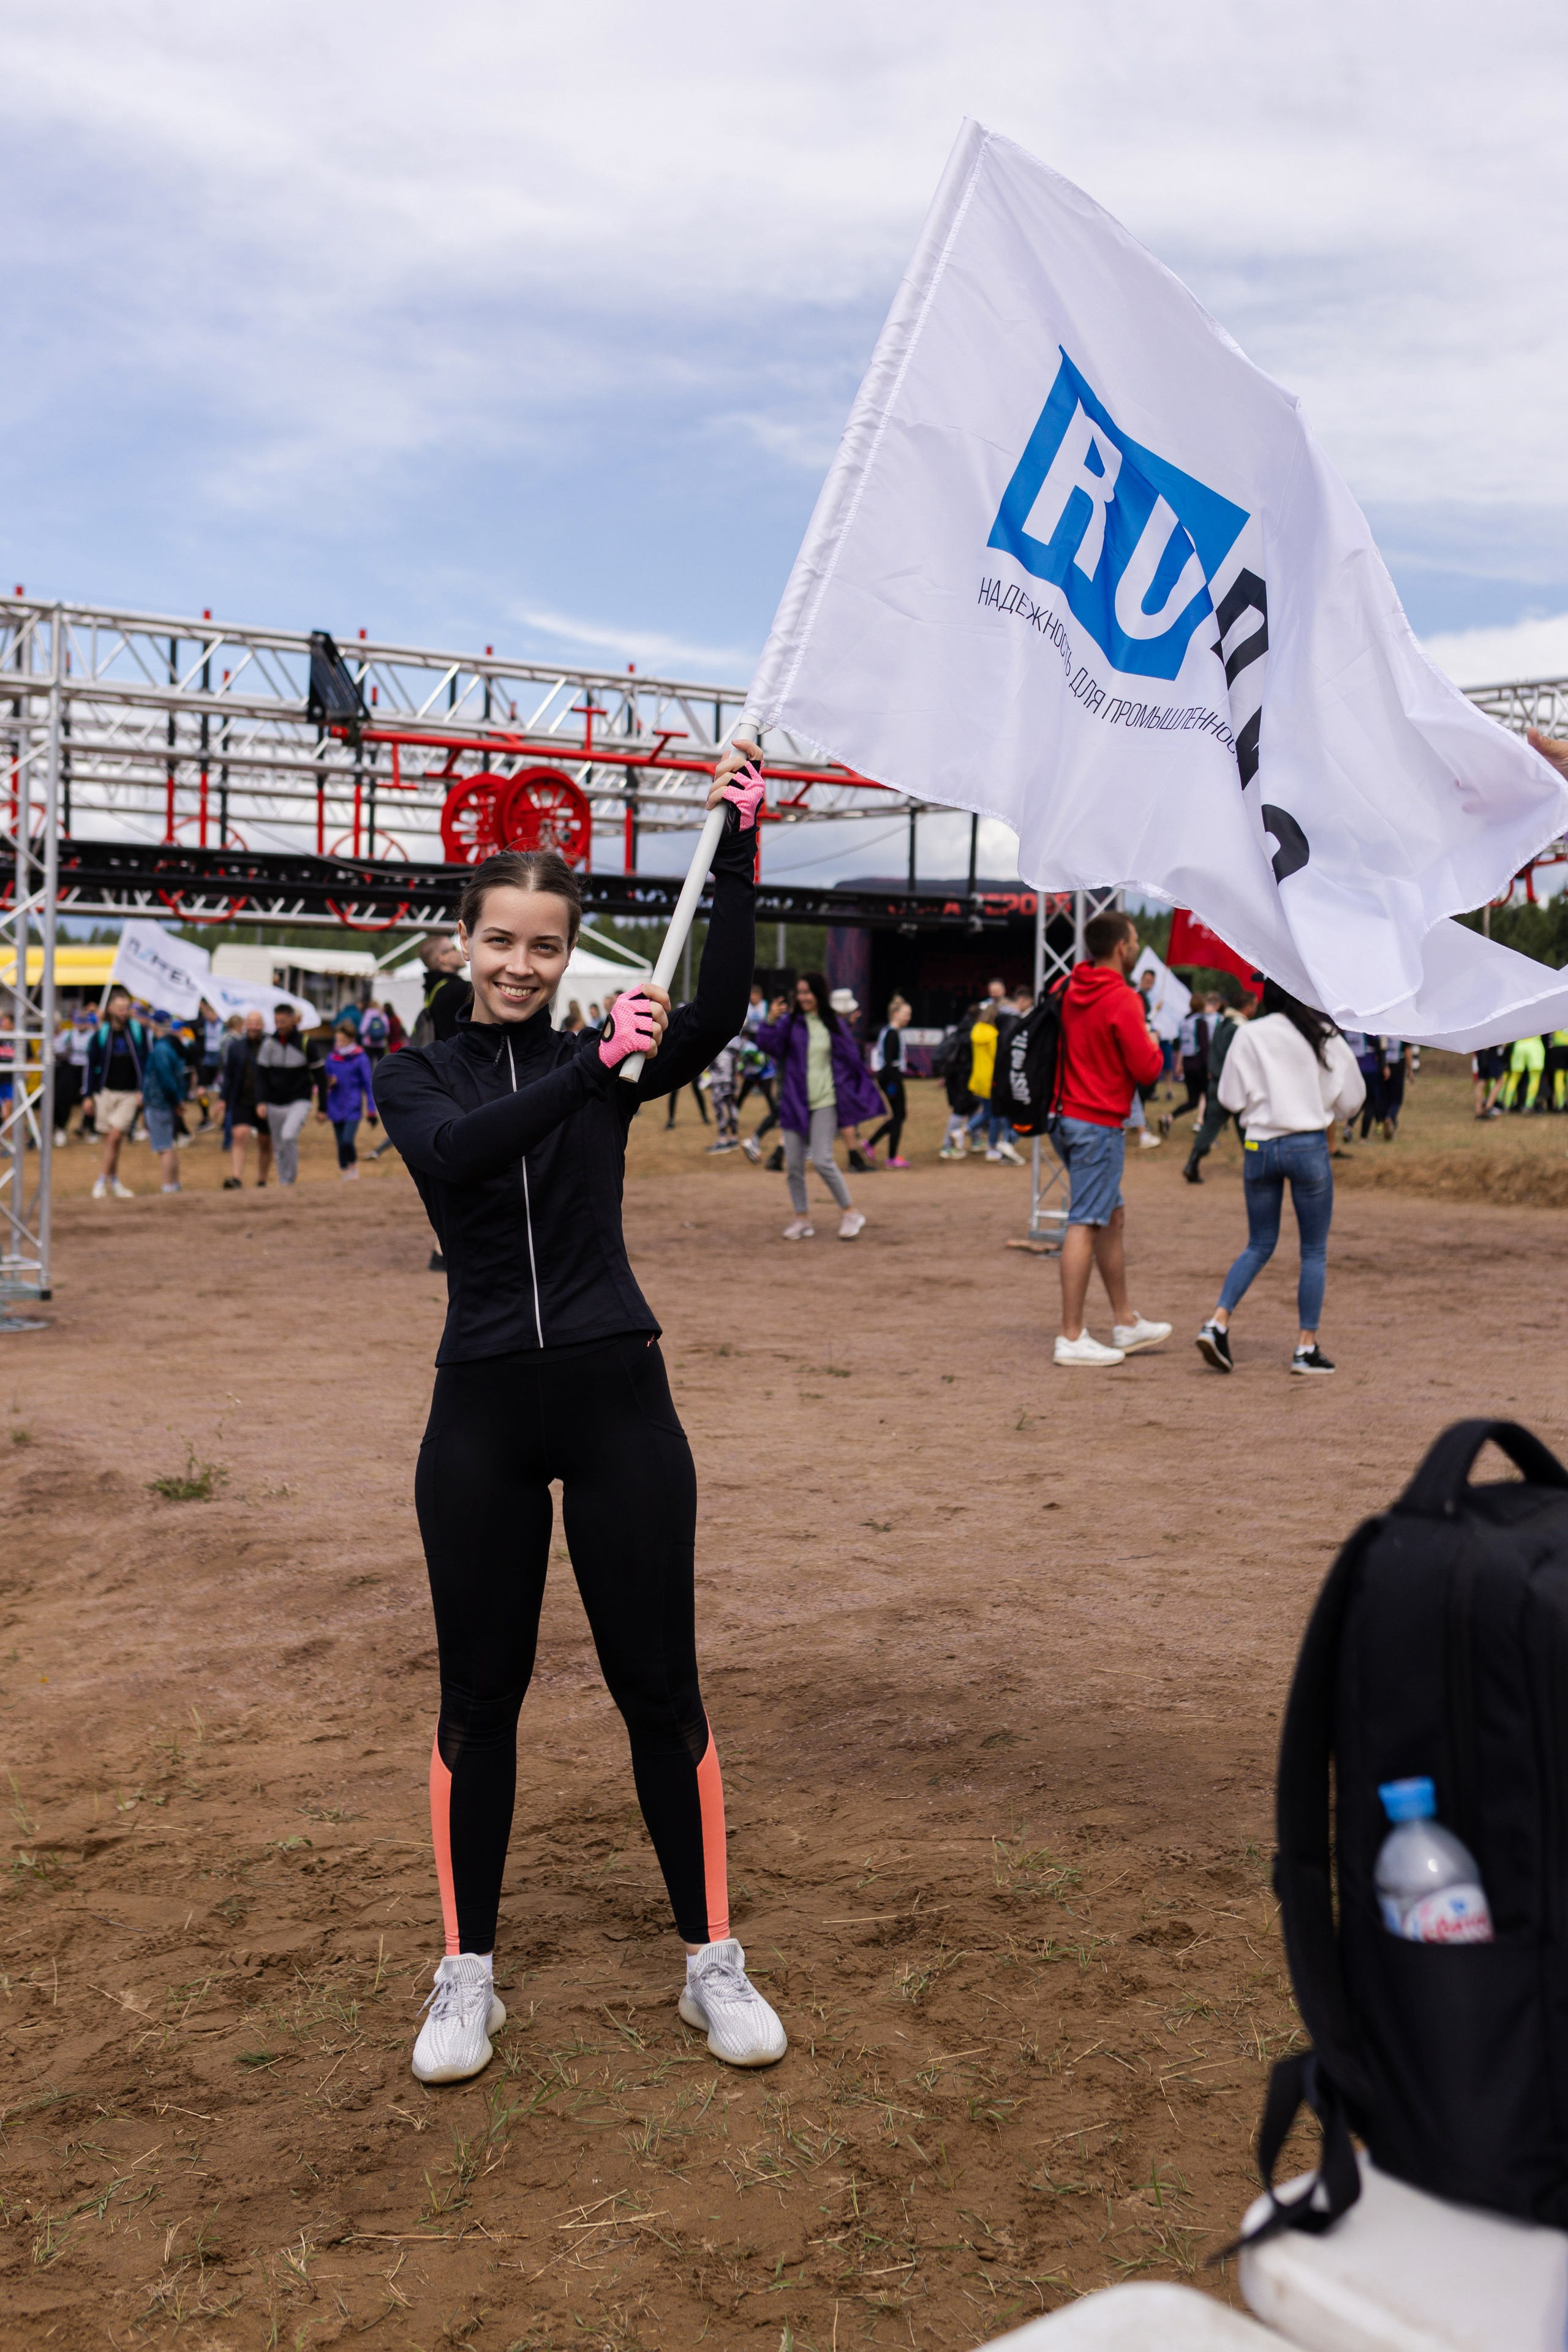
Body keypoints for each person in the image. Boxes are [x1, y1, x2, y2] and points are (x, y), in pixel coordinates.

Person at [374, 764, 788, 2085]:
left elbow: (718, 1007)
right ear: (462, 943)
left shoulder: (597, 1057)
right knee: (477, 1699)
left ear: (565, 957)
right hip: (481, 1409)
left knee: (659, 1690)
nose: (517, 963)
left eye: (542, 947)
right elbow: (462, 1156)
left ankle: (709, 1962)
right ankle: (466, 1978)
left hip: (619, 1400)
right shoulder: (416, 1073)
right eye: (497, 939)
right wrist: (592, 1069)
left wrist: (734, 859)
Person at [1196, 981, 1365, 1378]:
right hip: (1307, 1147)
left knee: (1258, 1243)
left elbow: (1230, 1099)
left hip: (1259, 1147)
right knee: (1313, 1252)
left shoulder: (1248, 1034)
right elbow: (1354, 1099)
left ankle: (1217, 1322)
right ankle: (1306, 1348)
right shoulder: (1324, 1036)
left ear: (1264, 997)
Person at [1050, 910, 1171, 1367]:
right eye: (1135, 939)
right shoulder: (1123, 998)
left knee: (1110, 1215)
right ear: (1121, 947)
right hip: (1098, 1122)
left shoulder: (1063, 987)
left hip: (1063, 1116)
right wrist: (1153, 1042)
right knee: (1085, 1221)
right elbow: (1147, 1069)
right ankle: (1071, 1336)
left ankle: (1125, 1321)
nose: (1136, 944)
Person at [755, 972, 882, 1239]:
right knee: (794, 1167)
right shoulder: (790, 1023)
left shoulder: (833, 1024)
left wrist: (857, 1094)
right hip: (794, 1102)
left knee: (824, 1160)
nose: (803, 997)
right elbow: (771, 1047)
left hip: (825, 1102)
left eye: (808, 992)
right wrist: (769, 1023)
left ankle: (851, 1213)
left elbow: (850, 1061)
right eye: (800, 993)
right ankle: (802, 1220)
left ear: (818, 994)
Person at [85, 984, 149, 1200]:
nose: (125, 1012)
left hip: (129, 1093)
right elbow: (91, 1064)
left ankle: (101, 1180)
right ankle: (115, 1182)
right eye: (121, 1008)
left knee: (114, 1138)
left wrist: (143, 1090)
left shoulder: (138, 1031)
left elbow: (146, 1061)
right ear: (111, 1009)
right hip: (104, 1093)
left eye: (127, 1008)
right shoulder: (101, 1035)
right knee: (110, 1143)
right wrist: (88, 1095)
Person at [1182, 995, 1246, 1183]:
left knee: (1209, 1127)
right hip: (1234, 1086)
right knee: (1245, 1128)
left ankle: (1192, 1162)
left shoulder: (1221, 1025)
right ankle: (1256, 1165)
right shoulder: (1239, 1028)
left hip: (1216, 1084)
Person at [255, 1002, 315, 1186]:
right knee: (279, 1145)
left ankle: (290, 1180)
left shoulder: (306, 1043)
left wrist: (323, 1107)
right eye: (276, 1022)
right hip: (274, 1103)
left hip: (299, 1100)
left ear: (293, 1020)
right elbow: (261, 1076)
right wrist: (261, 1101)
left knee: (288, 1135)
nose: (279, 1025)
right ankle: (284, 1183)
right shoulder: (269, 1044)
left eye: (283, 1021)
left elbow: (319, 1074)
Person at [316, 1020, 377, 1178]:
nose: (340, 1043)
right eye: (338, 1040)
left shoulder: (361, 1058)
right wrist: (329, 1081)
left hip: (353, 1106)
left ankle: (353, 1166)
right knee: (339, 1143)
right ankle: (344, 1173)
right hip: (335, 1105)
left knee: (347, 1141)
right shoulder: (331, 1057)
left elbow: (368, 1085)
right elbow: (324, 1080)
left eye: (343, 1040)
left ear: (351, 1039)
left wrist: (371, 1110)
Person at [141, 1010, 190, 1195]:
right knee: (168, 1145)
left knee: (164, 1147)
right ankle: (174, 1184)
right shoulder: (172, 1046)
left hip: (160, 1103)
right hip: (166, 1102)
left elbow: (166, 1079)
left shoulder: (162, 1049)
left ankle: (169, 1185)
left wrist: (176, 1100)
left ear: (155, 1026)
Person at [220, 1010, 271, 1188]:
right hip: (242, 1098)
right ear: (245, 1025)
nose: (253, 1027)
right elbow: (229, 1075)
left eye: (257, 1023)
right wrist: (223, 1099)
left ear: (263, 1026)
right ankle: (236, 1178)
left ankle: (262, 1180)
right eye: (250, 1023)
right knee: (239, 1135)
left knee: (265, 1141)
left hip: (266, 1101)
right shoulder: (236, 1047)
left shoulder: (270, 1045)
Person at [866, 995, 911, 1167]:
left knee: (899, 1116)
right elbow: (888, 1062)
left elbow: (896, 1059)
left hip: (891, 1078)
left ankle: (871, 1144)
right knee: (899, 1116)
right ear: (895, 1014)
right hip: (891, 1079)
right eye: (906, 1014)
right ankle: (891, 1158)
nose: (909, 1018)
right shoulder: (892, 1034)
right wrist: (892, 1086)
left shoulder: (893, 1032)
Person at [417, 935, 472, 1044]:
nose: (460, 950)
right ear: (442, 958)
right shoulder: (459, 989)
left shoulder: (433, 988)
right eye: (454, 948)